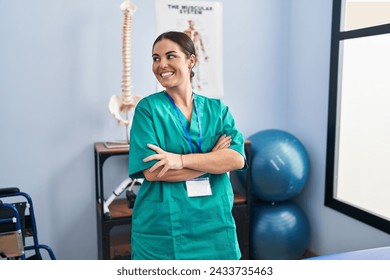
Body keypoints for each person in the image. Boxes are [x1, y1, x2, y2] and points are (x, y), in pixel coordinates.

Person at [128, 31, 247, 260]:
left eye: (170, 56)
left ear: (191, 60)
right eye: (155, 58)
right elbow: (153, 172)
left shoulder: (217, 110)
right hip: (164, 228)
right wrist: (213, 159)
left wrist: (179, 160)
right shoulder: (147, 109)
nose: (161, 64)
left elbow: (236, 159)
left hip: (214, 223)